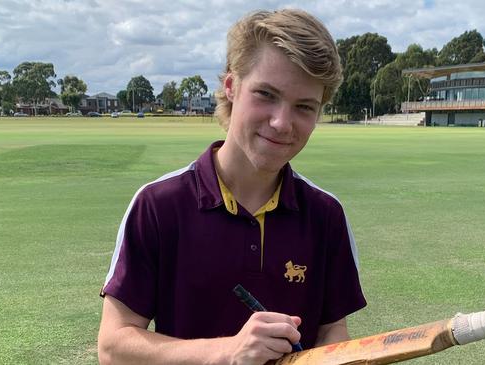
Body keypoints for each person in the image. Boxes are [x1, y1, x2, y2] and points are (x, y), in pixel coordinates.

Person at [97, 8, 366, 365]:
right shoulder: (159, 205)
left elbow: (333, 331)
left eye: (304, 106)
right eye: (266, 94)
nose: (282, 122)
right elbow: (113, 348)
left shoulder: (325, 214)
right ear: (231, 86)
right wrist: (227, 351)